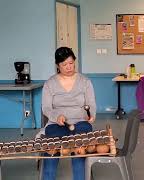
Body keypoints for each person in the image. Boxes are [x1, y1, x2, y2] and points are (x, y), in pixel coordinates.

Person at [41, 47, 96, 180]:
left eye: (71, 63)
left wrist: (91, 114)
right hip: (56, 125)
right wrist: (56, 116)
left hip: (80, 124)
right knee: (51, 150)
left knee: (79, 148)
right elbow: (46, 108)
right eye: (64, 64)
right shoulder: (50, 83)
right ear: (57, 66)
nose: (69, 67)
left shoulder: (85, 81)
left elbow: (91, 103)